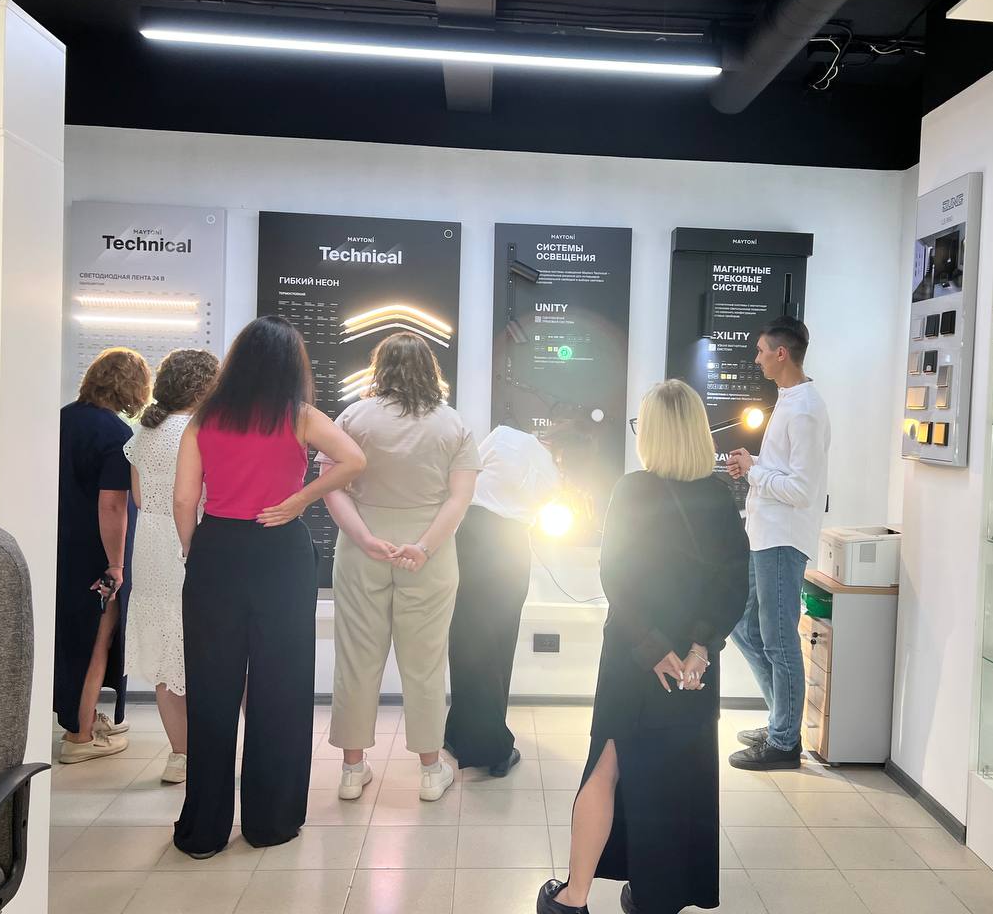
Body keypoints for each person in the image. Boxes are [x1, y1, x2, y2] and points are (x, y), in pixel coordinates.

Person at [538, 379, 749, 914]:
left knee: (607, 764)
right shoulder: (718, 497)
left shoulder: (632, 490)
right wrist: (700, 649)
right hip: (693, 667)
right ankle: (657, 896)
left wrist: (653, 648)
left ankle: (573, 897)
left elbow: (617, 577)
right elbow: (731, 584)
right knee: (678, 774)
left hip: (634, 657)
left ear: (652, 433)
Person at [171, 316, 365, 859]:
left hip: (217, 551)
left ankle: (204, 830)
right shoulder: (299, 416)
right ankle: (271, 821)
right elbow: (355, 460)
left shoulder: (205, 418)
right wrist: (300, 499)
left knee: (211, 688)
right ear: (290, 365)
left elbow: (184, 499)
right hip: (281, 551)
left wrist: (194, 549)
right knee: (281, 685)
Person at [320, 331, 480, 804]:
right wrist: (424, 547)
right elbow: (460, 499)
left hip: (361, 550)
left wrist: (364, 538)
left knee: (356, 660)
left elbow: (330, 486)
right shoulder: (452, 424)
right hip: (428, 554)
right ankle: (430, 771)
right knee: (425, 664)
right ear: (430, 369)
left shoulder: (353, 418)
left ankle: (352, 770)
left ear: (379, 368)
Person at [726, 316, 831, 771]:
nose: (757, 359)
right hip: (764, 535)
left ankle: (785, 741)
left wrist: (754, 471)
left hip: (783, 540)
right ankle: (780, 723)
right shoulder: (789, 401)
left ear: (781, 353)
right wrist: (753, 467)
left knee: (779, 639)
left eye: (761, 351)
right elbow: (782, 475)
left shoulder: (805, 409)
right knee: (743, 626)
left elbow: (801, 491)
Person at [442, 422, 567, 776]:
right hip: (510, 545)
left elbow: (470, 472)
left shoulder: (503, 436)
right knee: (499, 645)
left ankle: (458, 734)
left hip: (470, 537)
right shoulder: (552, 472)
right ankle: (494, 749)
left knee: (465, 641)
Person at [123, 348, 219, 785]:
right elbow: (200, 495)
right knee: (211, 651)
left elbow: (139, 498)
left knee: (166, 656)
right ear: (204, 387)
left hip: (150, 546)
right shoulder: (199, 430)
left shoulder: (144, 431)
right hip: (191, 538)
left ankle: (180, 756)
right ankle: (229, 750)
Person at [55, 347, 151, 763]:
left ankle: (84, 716)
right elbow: (112, 505)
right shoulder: (115, 434)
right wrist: (115, 564)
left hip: (58, 546)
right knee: (97, 637)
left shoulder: (60, 419)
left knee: (66, 638)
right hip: (95, 553)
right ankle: (79, 737)